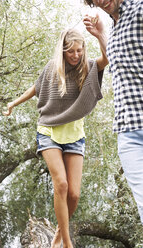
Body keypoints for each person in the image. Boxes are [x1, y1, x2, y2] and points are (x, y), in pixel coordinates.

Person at [3, 18, 108, 248]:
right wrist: (13, 103)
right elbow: (36, 87)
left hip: (75, 134)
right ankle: (66, 243)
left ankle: (59, 231)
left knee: (74, 195)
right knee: (61, 185)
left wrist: (100, 35)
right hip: (49, 130)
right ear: (63, 50)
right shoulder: (53, 68)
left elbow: (107, 59)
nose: (76, 55)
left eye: (80, 50)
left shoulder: (87, 67)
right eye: (72, 51)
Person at [83, 0, 143, 225]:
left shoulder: (140, 9)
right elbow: (119, 62)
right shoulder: (115, 29)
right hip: (128, 132)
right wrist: (100, 35)